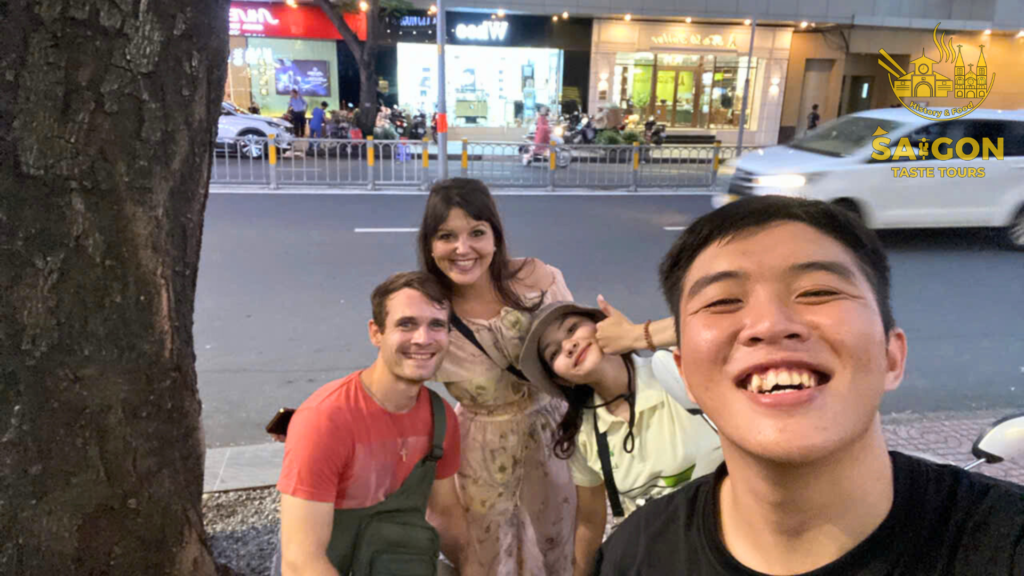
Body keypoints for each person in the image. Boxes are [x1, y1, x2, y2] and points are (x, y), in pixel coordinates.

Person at [592, 196, 1024, 575]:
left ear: (892, 356)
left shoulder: (1006, 542)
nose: (769, 325)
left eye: (818, 292)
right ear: (685, 375)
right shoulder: (633, 556)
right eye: (723, 301)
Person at [416, 178, 677, 575]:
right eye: (446, 236)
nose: (462, 249)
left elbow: (581, 352)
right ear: (430, 244)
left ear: (496, 236)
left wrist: (633, 342)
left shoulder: (537, 279)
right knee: (491, 554)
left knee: (558, 544)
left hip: (555, 438)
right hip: (482, 454)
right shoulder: (430, 310)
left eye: (477, 233)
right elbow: (399, 381)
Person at [275, 271, 473, 576]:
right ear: (376, 333)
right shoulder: (326, 419)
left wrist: (477, 567)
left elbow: (446, 516)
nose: (423, 339)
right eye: (406, 324)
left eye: (436, 325)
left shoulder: (441, 417)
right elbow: (300, 561)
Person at [518, 301, 724, 576]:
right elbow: (590, 522)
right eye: (554, 352)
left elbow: (720, 325)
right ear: (563, 380)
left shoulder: (675, 370)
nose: (568, 346)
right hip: (660, 559)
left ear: (603, 326)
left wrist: (636, 335)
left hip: (730, 543)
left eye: (572, 328)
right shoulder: (585, 434)